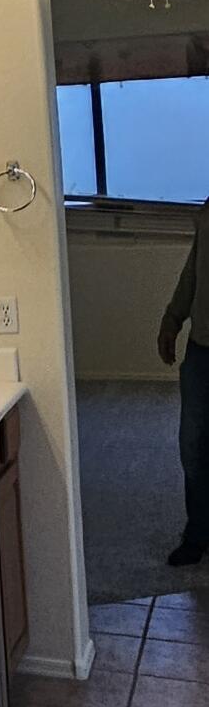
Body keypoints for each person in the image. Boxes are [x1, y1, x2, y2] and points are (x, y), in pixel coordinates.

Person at [157, 197, 209, 566]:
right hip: (202, 349)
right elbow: (195, 266)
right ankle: (198, 533)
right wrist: (172, 318)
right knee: (193, 446)